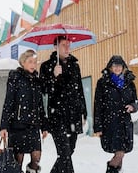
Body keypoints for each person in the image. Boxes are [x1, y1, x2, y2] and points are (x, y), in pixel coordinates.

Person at [39, 36, 87, 173]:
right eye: (64, 45)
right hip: (57, 115)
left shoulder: (75, 66)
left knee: (69, 151)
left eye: (68, 45)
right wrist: (53, 76)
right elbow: (43, 90)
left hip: (74, 115)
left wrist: (83, 112)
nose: (67, 48)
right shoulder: (46, 66)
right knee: (64, 153)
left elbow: (80, 91)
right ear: (55, 47)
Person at [0, 50, 48, 173]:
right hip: (17, 126)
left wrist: (44, 126)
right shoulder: (15, 77)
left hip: (33, 126)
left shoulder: (37, 81)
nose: (33, 64)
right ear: (23, 62)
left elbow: (40, 105)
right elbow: (8, 102)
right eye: (30, 61)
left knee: (36, 157)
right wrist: (3, 126)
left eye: (35, 62)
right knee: (17, 161)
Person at [93, 55, 138, 173]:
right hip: (110, 123)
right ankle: (111, 170)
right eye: (115, 65)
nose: (117, 68)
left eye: (119, 65)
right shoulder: (103, 83)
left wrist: (133, 106)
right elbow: (98, 105)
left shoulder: (129, 82)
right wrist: (97, 126)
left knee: (121, 152)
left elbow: (136, 101)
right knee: (119, 153)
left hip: (124, 123)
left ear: (123, 67)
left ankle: (113, 169)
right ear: (110, 67)